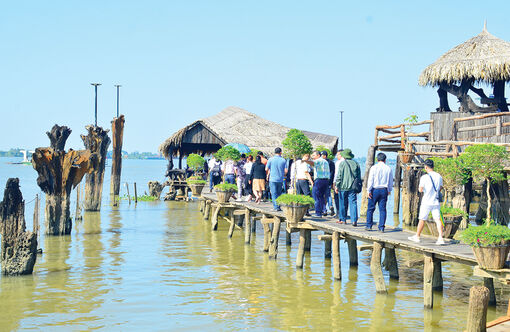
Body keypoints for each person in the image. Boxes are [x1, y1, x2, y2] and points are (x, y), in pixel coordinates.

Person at [408, 159, 445, 245]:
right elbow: (440, 188)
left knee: (422, 219)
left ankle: (417, 236)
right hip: (435, 201)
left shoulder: (424, 177)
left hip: (426, 201)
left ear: (426, 167)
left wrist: (425, 189)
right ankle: (440, 238)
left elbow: (420, 190)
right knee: (438, 220)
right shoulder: (439, 176)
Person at [366, 152, 393, 232]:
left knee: (370, 208)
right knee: (382, 209)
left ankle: (369, 225)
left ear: (377, 159)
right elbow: (390, 181)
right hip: (384, 189)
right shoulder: (388, 168)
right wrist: (389, 190)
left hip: (375, 189)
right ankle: (381, 227)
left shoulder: (374, 168)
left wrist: (368, 190)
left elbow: (370, 180)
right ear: (385, 160)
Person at [334, 149, 360, 226]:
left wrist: (336, 186)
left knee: (342, 203)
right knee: (353, 203)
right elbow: (358, 177)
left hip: (343, 187)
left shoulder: (342, 163)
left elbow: (339, 176)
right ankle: (354, 220)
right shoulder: (356, 163)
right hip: (352, 187)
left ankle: (343, 219)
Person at [311, 150, 330, 218]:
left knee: (316, 196)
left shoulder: (318, 160)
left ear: (318, 155)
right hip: (326, 180)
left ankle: (318, 213)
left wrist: (304, 161)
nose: (312, 157)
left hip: (319, 180)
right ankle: (323, 210)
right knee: (321, 196)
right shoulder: (325, 161)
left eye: (313, 155)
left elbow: (312, 163)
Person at [321, 151, 336, 216]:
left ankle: (324, 210)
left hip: (322, 180)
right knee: (328, 195)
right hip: (329, 181)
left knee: (322, 196)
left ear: (324, 156)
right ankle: (330, 206)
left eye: (321, 155)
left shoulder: (321, 162)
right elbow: (333, 173)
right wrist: (332, 182)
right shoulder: (332, 163)